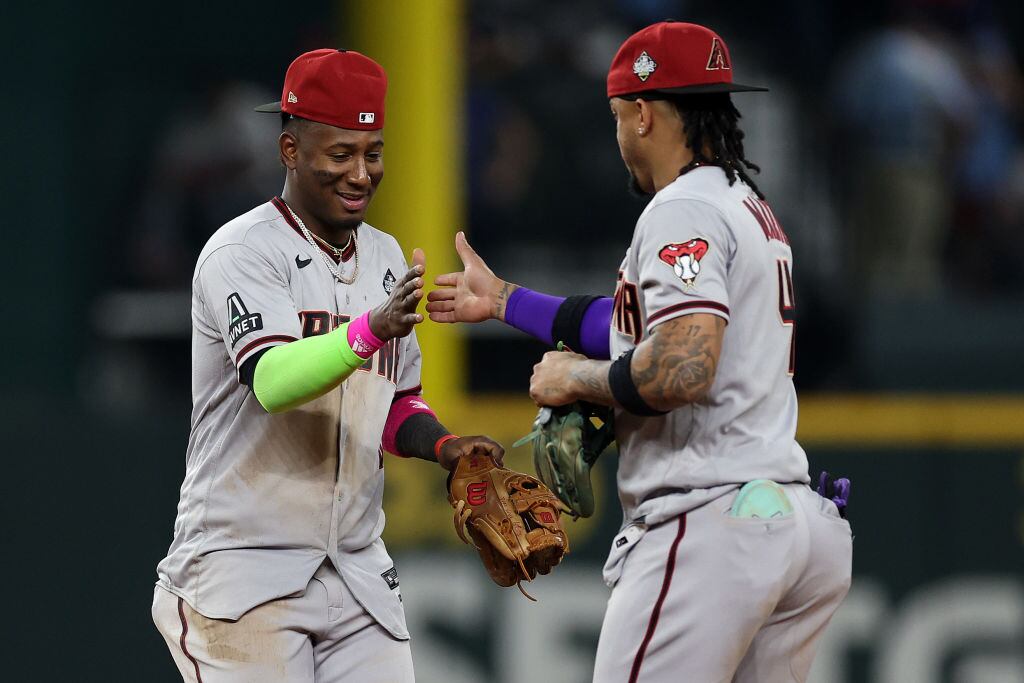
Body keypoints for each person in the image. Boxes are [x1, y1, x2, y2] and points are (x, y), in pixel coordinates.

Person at [427, 22, 852, 682]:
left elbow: (682, 366)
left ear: (644, 113)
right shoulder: (745, 206)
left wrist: (578, 377)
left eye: (620, 116)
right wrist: (506, 300)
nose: (620, 133)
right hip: (787, 518)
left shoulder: (682, 210)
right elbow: (638, 330)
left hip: (709, 520)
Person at [152, 48, 503, 682]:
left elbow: (393, 402)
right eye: (340, 154)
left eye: (373, 152)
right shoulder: (243, 251)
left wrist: (445, 446)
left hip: (356, 571)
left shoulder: (386, 257)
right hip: (243, 571)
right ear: (290, 151)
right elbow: (273, 381)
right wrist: (369, 330)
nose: (361, 173)